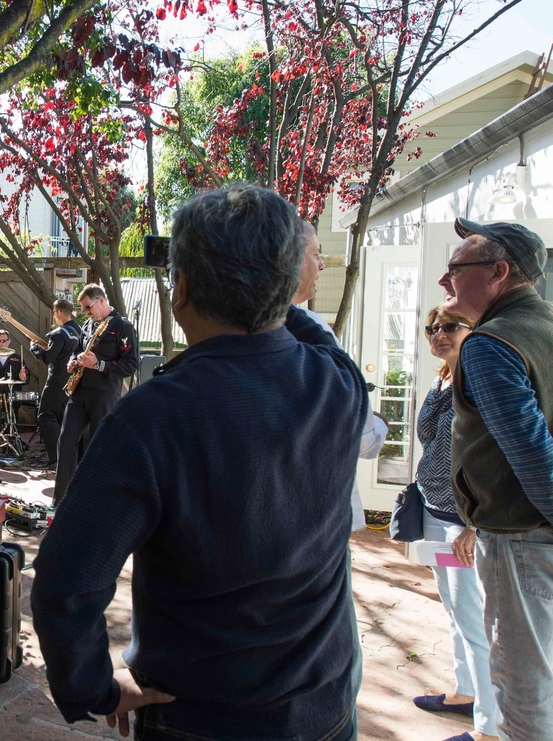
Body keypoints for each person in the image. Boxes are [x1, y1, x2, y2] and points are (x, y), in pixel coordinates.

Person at [32, 185, 368, 741]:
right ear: (288, 288)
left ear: (180, 287)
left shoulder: (151, 419)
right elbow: (307, 330)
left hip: (200, 719)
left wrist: (95, 686)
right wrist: (283, 280)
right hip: (325, 708)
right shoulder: (339, 383)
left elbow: (66, 584)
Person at [440, 217, 553, 741]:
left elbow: (531, 453)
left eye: (455, 269)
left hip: (523, 539)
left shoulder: (491, 344)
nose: (445, 282)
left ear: (499, 272)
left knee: (525, 698)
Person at [408, 305, 498, 741]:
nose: (439, 334)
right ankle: (466, 693)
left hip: (465, 522)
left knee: (475, 621)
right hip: (436, 513)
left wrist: (476, 524)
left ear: (474, 331)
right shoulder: (442, 377)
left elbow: (496, 456)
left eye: (450, 327)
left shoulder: (481, 381)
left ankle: (491, 728)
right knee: (453, 610)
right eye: (433, 328)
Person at [293, 223, 388, 531]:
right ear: (289, 260)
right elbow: (360, 437)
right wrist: (378, 426)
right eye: (316, 254)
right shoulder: (312, 331)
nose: (321, 265)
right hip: (315, 517)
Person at [52, 284, 138, 506]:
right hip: (79, 392)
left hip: (104, 393)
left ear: (101, 300)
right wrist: (72, 361)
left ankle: (99, 500)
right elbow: (77, 349)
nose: (86, 312)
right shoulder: (88, 325)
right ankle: (61, 499)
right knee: (66, 440)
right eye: (84, 309)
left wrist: (99, 365)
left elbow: (130, 365)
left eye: (88, 307)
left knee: (99, 446)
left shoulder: (122, 326)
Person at [31, 299, 81, 467]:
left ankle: (56, 458)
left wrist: (35, 349)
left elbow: (47, 358)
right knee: (62, 418)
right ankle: (67, 456)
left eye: (54, 313)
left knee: (45, 415)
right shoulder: (79, 331)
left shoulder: (60, 334)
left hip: (56, 381)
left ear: (59, 312)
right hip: (72, 382)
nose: (54, 316)